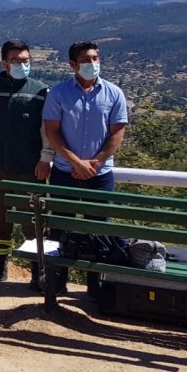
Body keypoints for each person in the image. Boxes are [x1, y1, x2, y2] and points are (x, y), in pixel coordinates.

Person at [42, 40, 128, 296]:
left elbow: (117, 134)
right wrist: (76, 162)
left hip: (99, 175)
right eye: (86, 59)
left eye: (95, 58)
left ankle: (94, 286)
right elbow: (52, 132)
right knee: (59, 228)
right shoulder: (58, 93)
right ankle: (57, 282)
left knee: (98, 229)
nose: (92, 63)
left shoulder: (114, 93)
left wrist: (96, 163)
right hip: (64, 172)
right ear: (72, 65)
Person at [0, 40, 53, 285]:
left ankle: (39, 271)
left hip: (30, 170)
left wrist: (45, 159)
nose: (22, 64)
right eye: (16, 60)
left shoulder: (41, 92)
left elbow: (46, 132)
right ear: (4, 62)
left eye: (26, 60)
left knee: (35, 222)